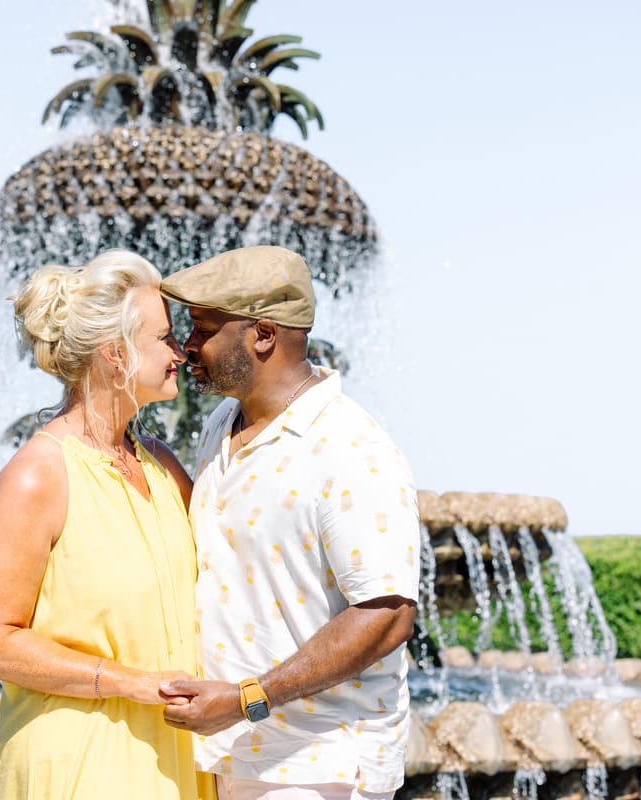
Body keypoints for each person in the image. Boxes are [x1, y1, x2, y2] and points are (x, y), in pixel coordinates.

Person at [157, 246, 421, 800]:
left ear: (263, 335)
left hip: (315, 767)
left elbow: (386, 615)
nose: (186, 346)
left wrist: (249, 697)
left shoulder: (348, 446)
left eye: (202, 329)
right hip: (235, 755)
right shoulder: (223, 424)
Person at [0, 250, 208, 800]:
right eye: (164, 338)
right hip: (83, 759)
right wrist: (133, 684)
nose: (180, 352)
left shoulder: (163, 465)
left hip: (176, 757)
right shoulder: (38, 475)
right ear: (114, 353)